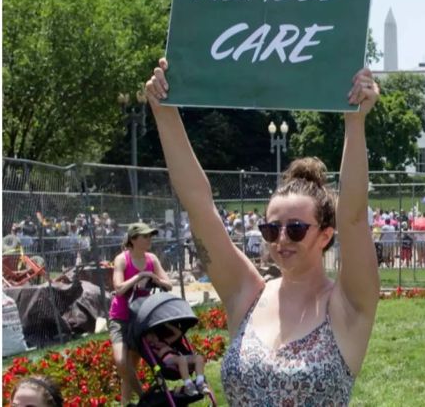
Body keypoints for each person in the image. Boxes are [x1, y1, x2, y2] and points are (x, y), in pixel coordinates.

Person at [145, 58, 380, 405]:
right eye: (271, 229)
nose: (281, 239)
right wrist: (163, 111)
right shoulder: (247, 295)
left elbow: (355, 217)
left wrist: (354, 122)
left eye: (296, 229)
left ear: (326, 234)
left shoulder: (347, 306)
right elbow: (199, 204)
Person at [109, 222, 173, 406]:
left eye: (150, 236)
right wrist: (139, 276)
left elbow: (168, 284)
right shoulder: (122, 259)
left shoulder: (152, 258)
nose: (149, 239)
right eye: (145, 236)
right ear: (133, 239)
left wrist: (153, 278)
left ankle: (125, 403)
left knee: (131, 366)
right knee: (122, 362)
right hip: (120, 317)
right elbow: (119, 289)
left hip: (140, 317)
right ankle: (145, 398)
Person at [144, 322, 207, 396]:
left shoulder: (165, 342)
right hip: (167, 363)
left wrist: (168, 324)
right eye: (151, 341)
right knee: (181, 359)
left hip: (178, 358)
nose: (154, 341)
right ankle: (189, 385)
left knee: (199, 358)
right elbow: (155, 358)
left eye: (154, 336)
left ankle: (200, 383)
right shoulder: (151, 349)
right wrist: (156, 347)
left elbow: (178, 333)